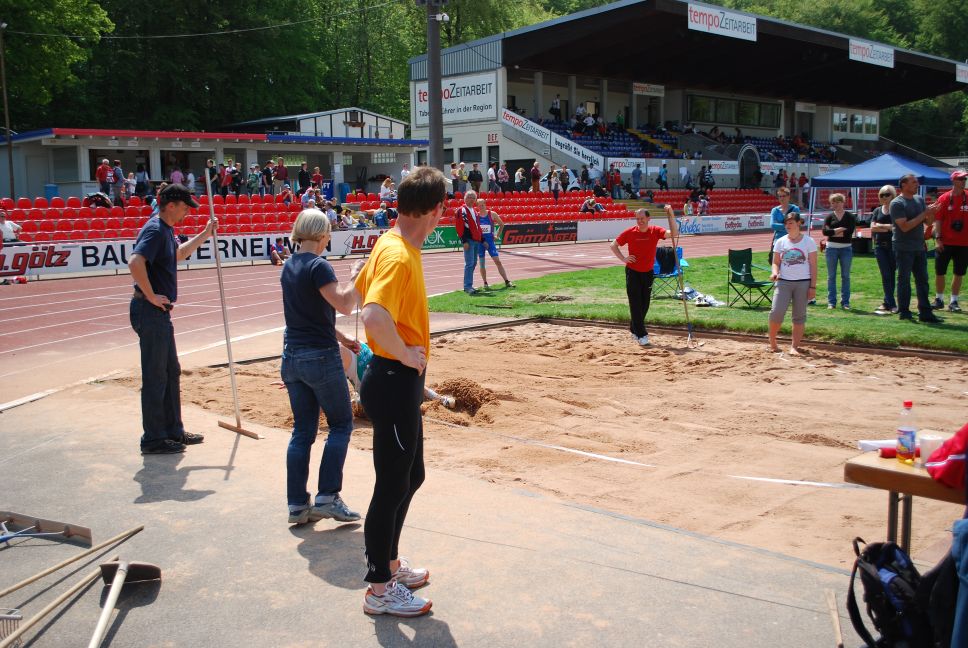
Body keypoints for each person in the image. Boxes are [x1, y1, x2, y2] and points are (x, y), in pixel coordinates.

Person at [355, 166, 444, 618]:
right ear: (436, 210)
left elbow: (353, 296)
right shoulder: (397, 254)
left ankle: (390, 565)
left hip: (400, 382)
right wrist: (407, 355)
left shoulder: (395, 245)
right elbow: (372, 315)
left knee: (412, 476)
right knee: (391, 485)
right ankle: (379, 588)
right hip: (392, 379)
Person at [280, 208, 364, 525]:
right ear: (322, 234)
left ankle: (297, 505)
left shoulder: (289, 265)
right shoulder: (319, 265)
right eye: (329, 232)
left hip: (292, 356)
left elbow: (312, 315)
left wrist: (342, 338)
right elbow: (344, 304)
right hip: (319, 357)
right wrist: (356, 276)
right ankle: (328, 496)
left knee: (302, 431)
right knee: (341, 424)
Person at [128, 184, 216, 454]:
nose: (188, 211)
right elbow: (135, 262)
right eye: (185, 206)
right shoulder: (156, 230)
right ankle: (154, 439)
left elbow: (179, 254)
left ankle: (173, 431)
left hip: (159, 313)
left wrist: (204, 234)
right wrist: (151, 295)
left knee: (170, 372)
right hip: (150, 311)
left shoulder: (166, 230)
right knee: (156, 375)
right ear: (170, 205)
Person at [609, 205, 678, 346]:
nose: (640, 221)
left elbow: (674, 234)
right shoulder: (630, 232)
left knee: (644, 304)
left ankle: (634, 328)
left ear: (648, 218)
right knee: (635, 303)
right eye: (637, 219)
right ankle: (642, 334)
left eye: (642, 218)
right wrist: (623, 259)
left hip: (648, 272)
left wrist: (671, 214)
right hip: (633, 272)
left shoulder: (655, 231)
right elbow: (613, 245)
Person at [891, 174, 943, 323]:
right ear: (903, 185)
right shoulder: (897, 203)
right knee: (904, 280)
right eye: (913, 182)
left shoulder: (919, 199)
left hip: (919, 246)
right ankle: (904, 311)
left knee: (923, 280)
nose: (917, 184)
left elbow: (928, 222)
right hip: (903, 247)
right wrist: (925, 213)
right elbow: (905, 227)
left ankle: (925, 312)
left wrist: (931, 214)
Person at [768, 212, 818, 354]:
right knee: (776, 313)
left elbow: (813, 265)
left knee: (799, 316)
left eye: (791, 223)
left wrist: (812, 287)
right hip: (783, 282)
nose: (788, 226)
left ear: (799, 223)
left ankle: (794, 347)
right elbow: (775, 262)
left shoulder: (809, 242)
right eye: (786, 223)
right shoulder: (780, 242)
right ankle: (772, 343)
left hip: (803, 283)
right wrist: (775, 272)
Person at [930, 170, 968, 313]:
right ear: (953, 181)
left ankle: (954, 301)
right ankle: (939, 299)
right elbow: (938, 221)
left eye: (964, 179)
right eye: (960, 179)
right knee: (940, 272)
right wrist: (938, 239)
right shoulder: (944, 198)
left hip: (964, 243)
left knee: (959, 273)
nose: (963, 181)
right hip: (945, 242)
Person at [821, 193, 857, 309]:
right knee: (831, 276)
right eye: (833, 202)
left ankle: (845, 302)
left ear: (843, 202)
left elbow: (849, 232)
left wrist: (833, 232)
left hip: (846, 249)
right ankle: (831, 302)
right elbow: (825, 232)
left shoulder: (850, 216)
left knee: (845, 276)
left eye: (838, 201)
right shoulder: (829, 217)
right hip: (831, 249)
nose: (835, 204)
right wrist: (840, 229)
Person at [475, 197, 514, 290]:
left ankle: (507, 281)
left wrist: (497, 235)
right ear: (477, 206)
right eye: (479, 206)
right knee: (482, 263)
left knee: (497, 261)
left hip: (490, 241)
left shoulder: (492, 214)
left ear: (485, 205)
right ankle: (485, 283)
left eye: (482, 205)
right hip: (480, 242)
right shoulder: (476, 216)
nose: (481, 207)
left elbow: (502, 224)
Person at [870, 185, 898, 315]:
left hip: (893, 246)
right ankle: (891, 304)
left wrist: (881, 226)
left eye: (887, 194)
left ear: (893, 195)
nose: (884, 197)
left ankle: (887, 302)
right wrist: (887, 228)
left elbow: (896, 227)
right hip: (880, 246)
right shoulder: (877, 210)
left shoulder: (896, 210)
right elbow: (873, 228)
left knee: (891, 274)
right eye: (882, 195)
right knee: (886, 274)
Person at [455, 190, 482, 294]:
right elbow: (459, 226)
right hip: (469, 240)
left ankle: (469, 285)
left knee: (473, 263)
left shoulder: (474, 211)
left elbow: (477, 226)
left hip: (476, 240)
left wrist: (482, 239)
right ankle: (467, 286)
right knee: (469, 263)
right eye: (469, 197)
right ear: (465, 198)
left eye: (473, 198)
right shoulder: (461, 210)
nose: (471, 199)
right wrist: (464, 240)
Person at [768, 187, 800, 266]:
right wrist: (789, 226)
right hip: (778, 240)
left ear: (788, 196)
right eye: (780, 196)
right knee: (776, 264)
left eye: (784, 196)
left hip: (792, 240)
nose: (782, 198)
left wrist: (780, 226)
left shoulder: (795, 209)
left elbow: (796, 225)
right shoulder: (775, 210)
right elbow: (773, 225)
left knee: (791, 264)